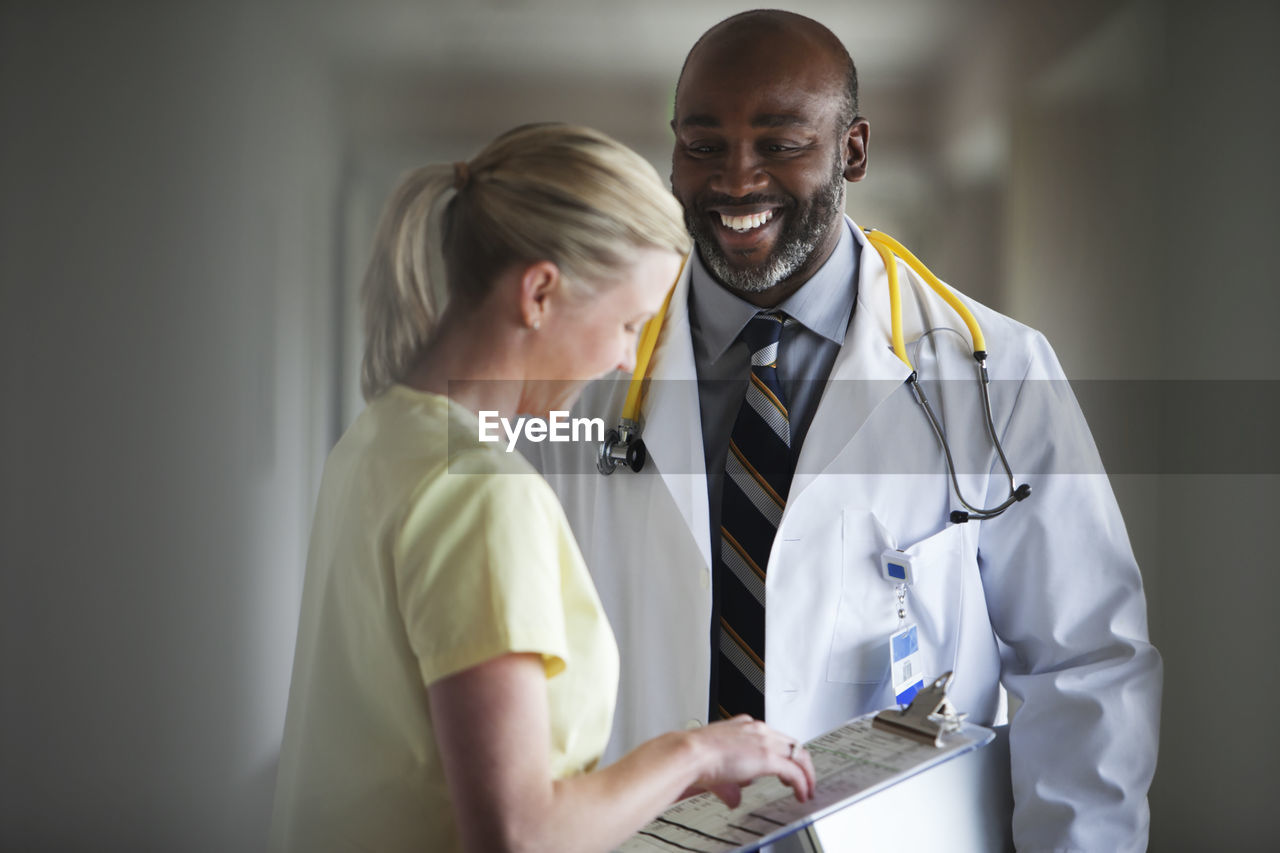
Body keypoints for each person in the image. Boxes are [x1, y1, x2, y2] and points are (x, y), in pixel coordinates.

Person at [527, 12, 1163, 852]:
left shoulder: (993, 370)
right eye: (704, 143)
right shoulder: (577, 374)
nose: (735, 179)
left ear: (852, 150)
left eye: (780, 142)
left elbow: (1082, 665)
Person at [267, 123, 816, 853]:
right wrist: (696, 752)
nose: (627, 360)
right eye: (627, 324)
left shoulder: (376, 440)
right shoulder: (482, 492)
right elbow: (519, 835)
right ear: (539, 292)